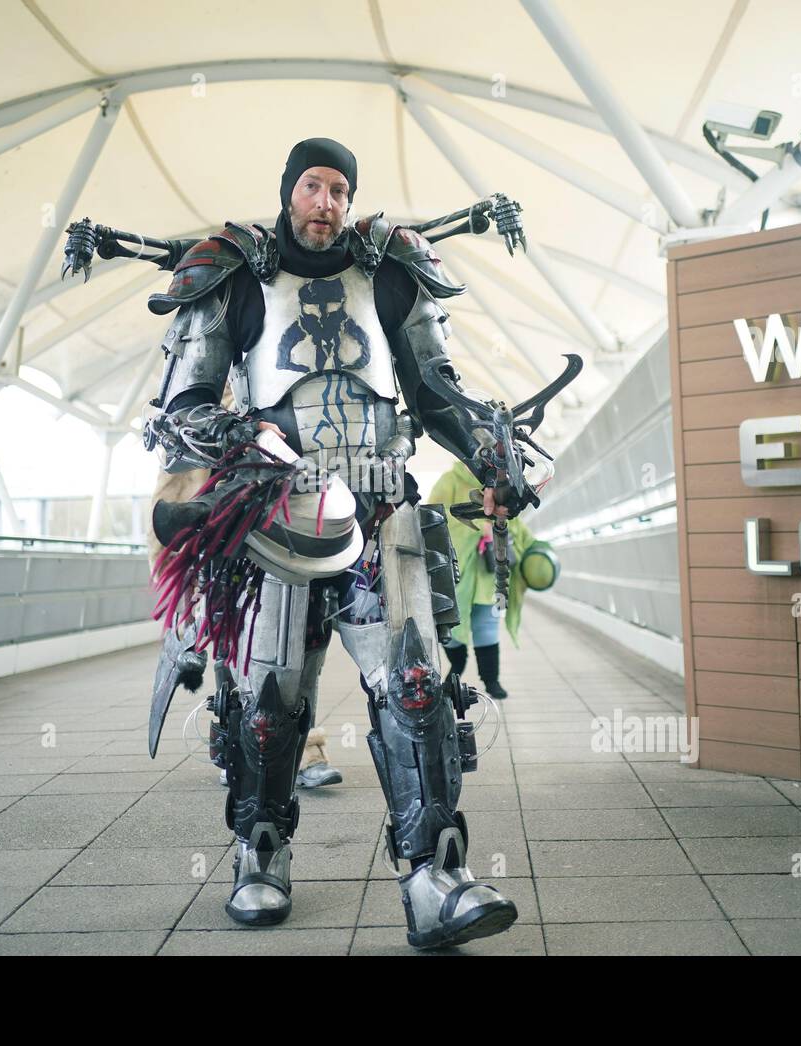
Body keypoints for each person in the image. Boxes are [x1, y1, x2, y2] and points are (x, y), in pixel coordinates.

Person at [142, 138, 539, 949]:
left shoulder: (396, 270)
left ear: (351, 201)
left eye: (340, 190)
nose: (326, 202)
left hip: (381, 509)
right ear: (289, 192)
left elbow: (435, 391)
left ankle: (435, 876)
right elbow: (181, 405)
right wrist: (244, 442)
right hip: (274, 517)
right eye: (313, 186)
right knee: (269, 703)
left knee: (417, 684)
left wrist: (490, 453)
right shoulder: (232, 274)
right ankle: (260, 853)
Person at [146, 458, 343, 788]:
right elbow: (175, 489)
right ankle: (237, 746)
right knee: (234, 641)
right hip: (230, 535)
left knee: (302, 641)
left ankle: (301, 746)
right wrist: (180, 587)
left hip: (295, 525)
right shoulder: (201, 411)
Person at [429, 459, 538, 700]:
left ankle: (491, 681)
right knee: (450, 626)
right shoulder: (450, 481)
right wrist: (478, 528)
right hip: (458, 575)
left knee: (487, 626)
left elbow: (516, 522)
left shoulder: (502, 484)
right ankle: (457, 667)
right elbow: (435, 519)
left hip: (490, 575)